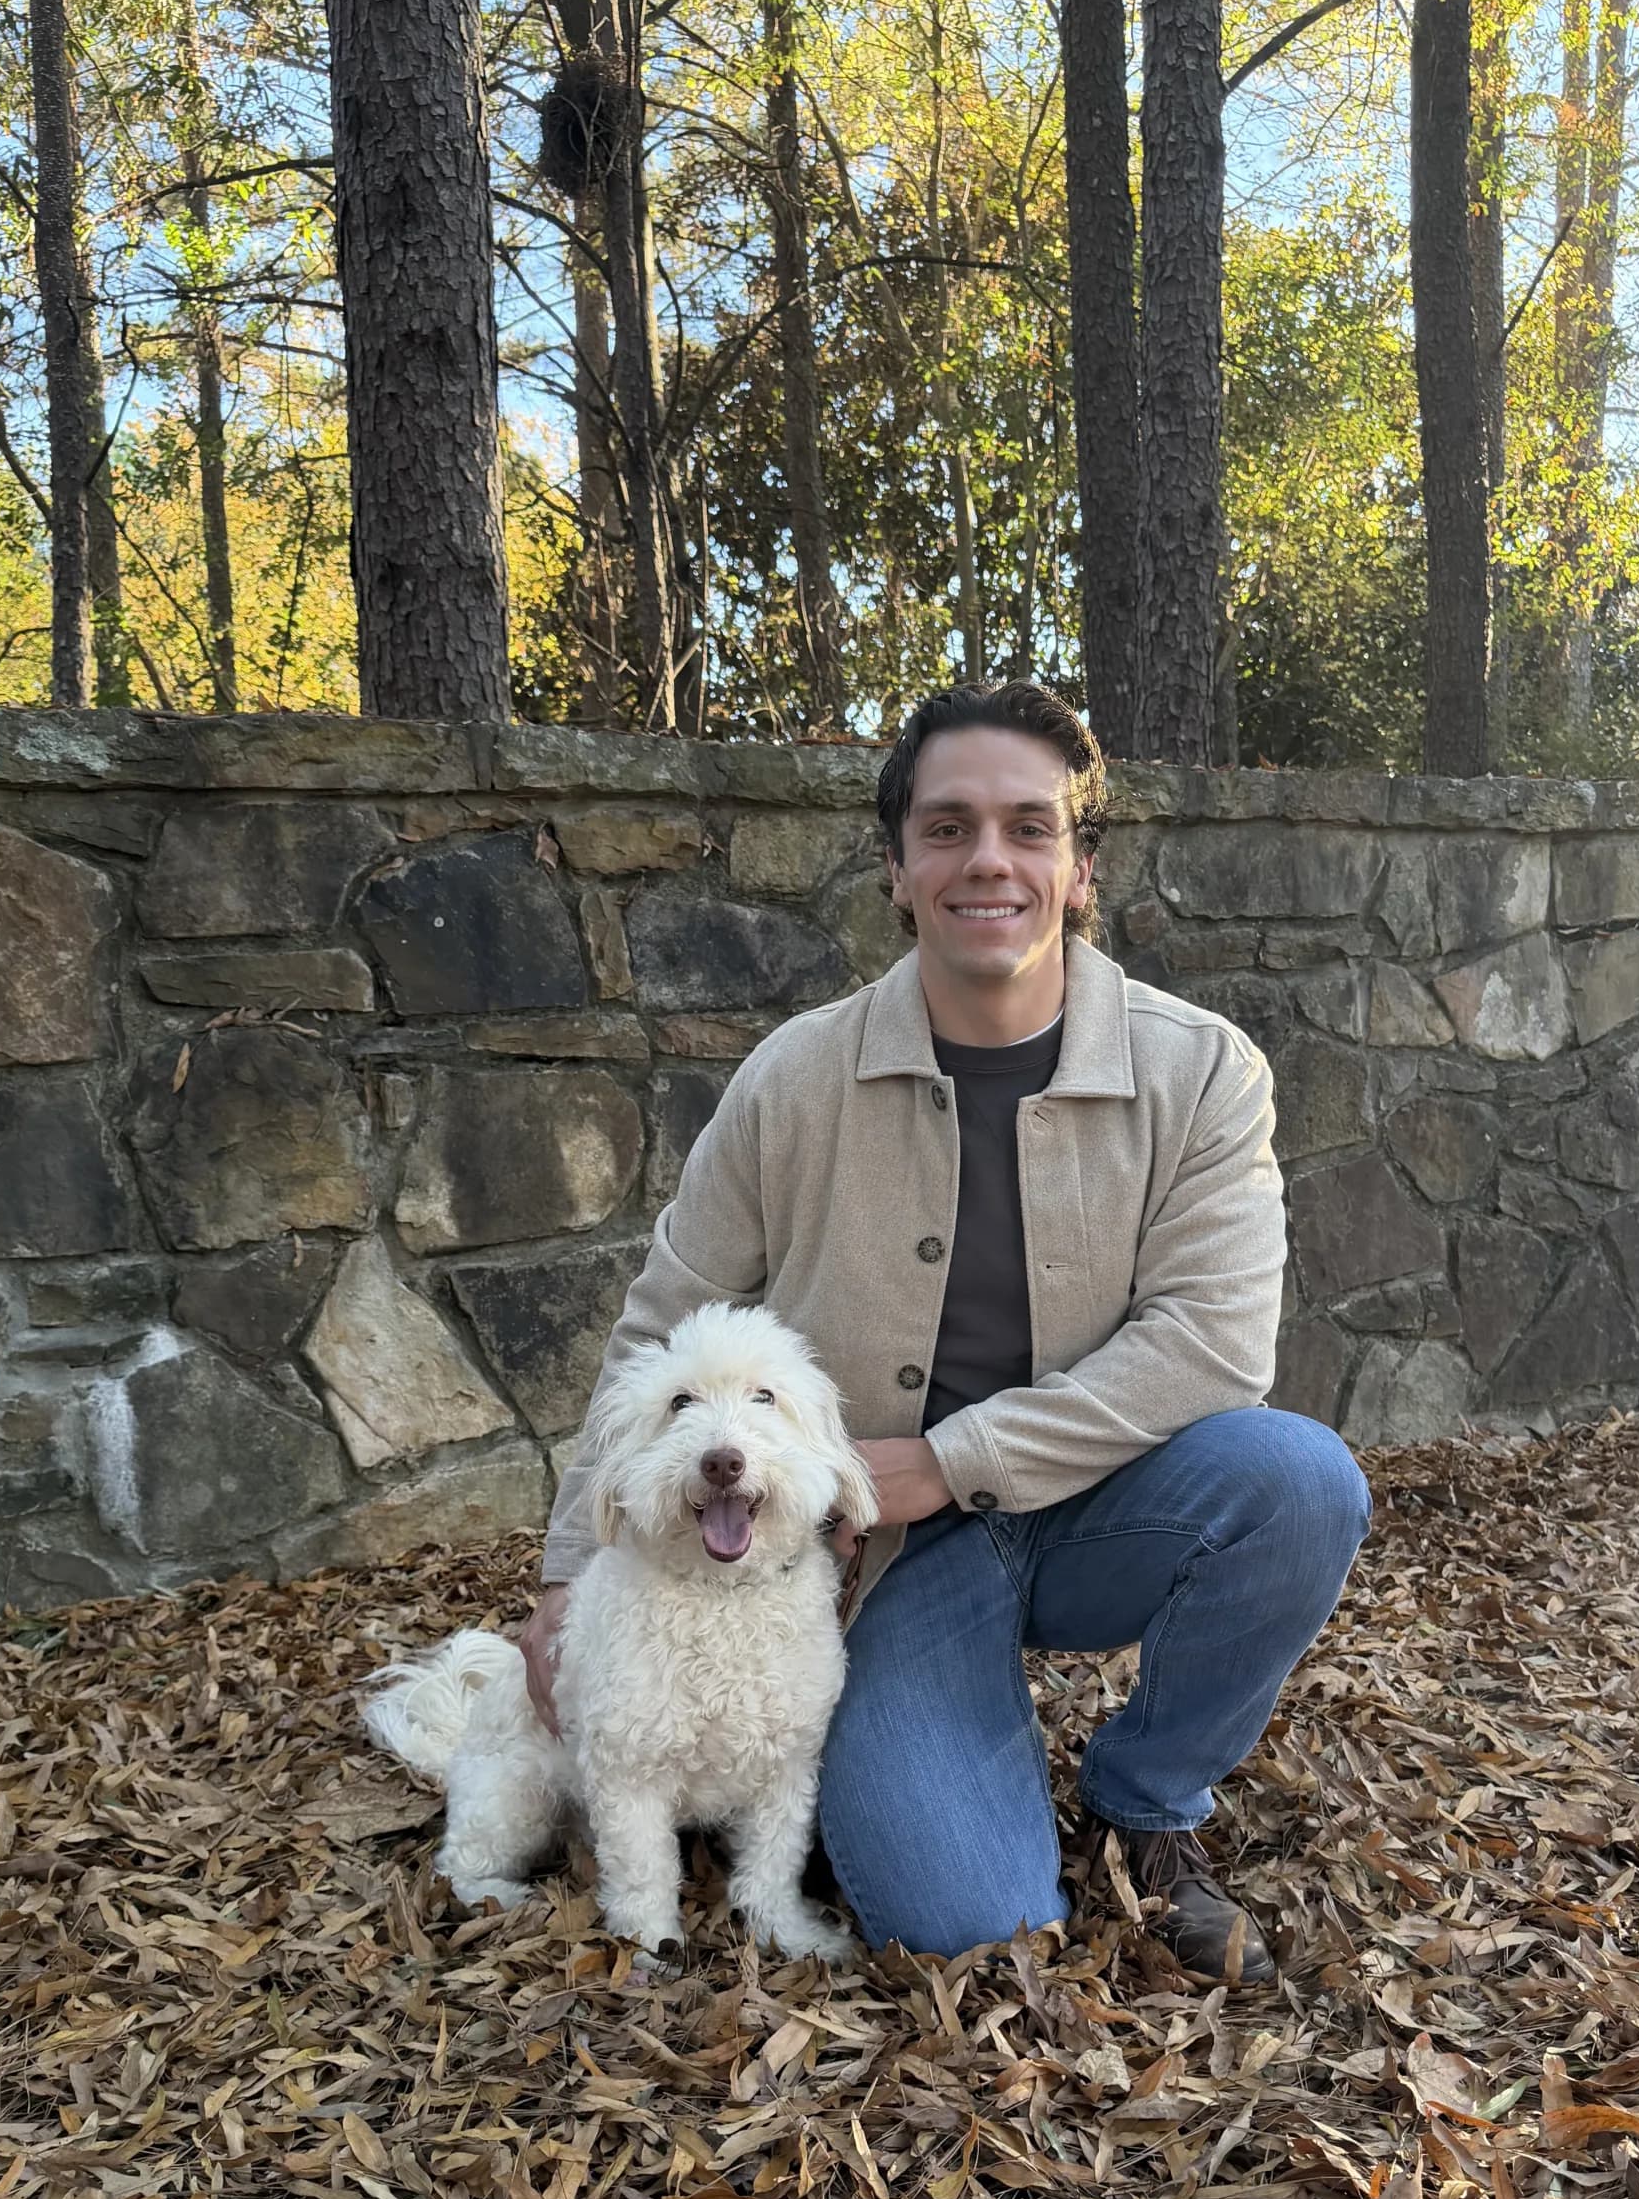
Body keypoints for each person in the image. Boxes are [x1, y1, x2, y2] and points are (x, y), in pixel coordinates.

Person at [520, 680, 1370, 1976]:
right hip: (888, 1562)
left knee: (1301, 1481)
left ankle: (1147, 1798)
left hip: (1103, 1506)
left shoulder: (1201, 1071)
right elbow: (660, 1331)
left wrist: (940, 1462)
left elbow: (1213, 1347)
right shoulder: (793, 1081)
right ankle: (945, 1737)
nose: (990, 859)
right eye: (949, 827)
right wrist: (568, 1579)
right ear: (897, 866)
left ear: (1081, 868)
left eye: (1030, 828)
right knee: (965, 1926)